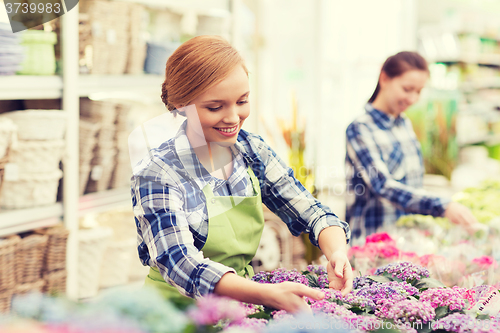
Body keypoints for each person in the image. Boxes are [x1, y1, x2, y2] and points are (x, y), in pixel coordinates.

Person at [131, 35, 352, 313]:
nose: (233, 117)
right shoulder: (158, 173)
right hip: (172, 316)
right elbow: (180, 263)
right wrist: (264, 294)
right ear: (179, 104)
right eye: (215, 107)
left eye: (242, 101)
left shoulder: (251, 151)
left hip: (238, 310)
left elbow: (311, 211)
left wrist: (337, 254)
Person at [345, 51, 478, 243]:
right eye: (407, 89)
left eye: (419, 91)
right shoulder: (360, 129)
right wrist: (442, 206)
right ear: (384, 78)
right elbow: (383, 185)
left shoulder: (404, 123)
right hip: (371, 244)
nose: (413, 99)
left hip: (404, 240)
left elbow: (412, 183)